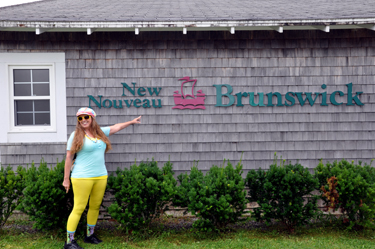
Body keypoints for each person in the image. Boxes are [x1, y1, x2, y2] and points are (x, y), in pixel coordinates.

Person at [62, 107, 141, 249]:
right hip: (82, 177)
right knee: (78, 208)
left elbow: (116, 127)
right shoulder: (76, 135)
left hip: (100, 176)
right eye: (80, 118)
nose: (83, 120)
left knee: (95, 206)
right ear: (78, 121)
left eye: (86, 117)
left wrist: (131, 122)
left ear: (92, 118)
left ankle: (89, 235)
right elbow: (69, 157)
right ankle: (69, 242)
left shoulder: (100, 132)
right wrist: (66, 179)